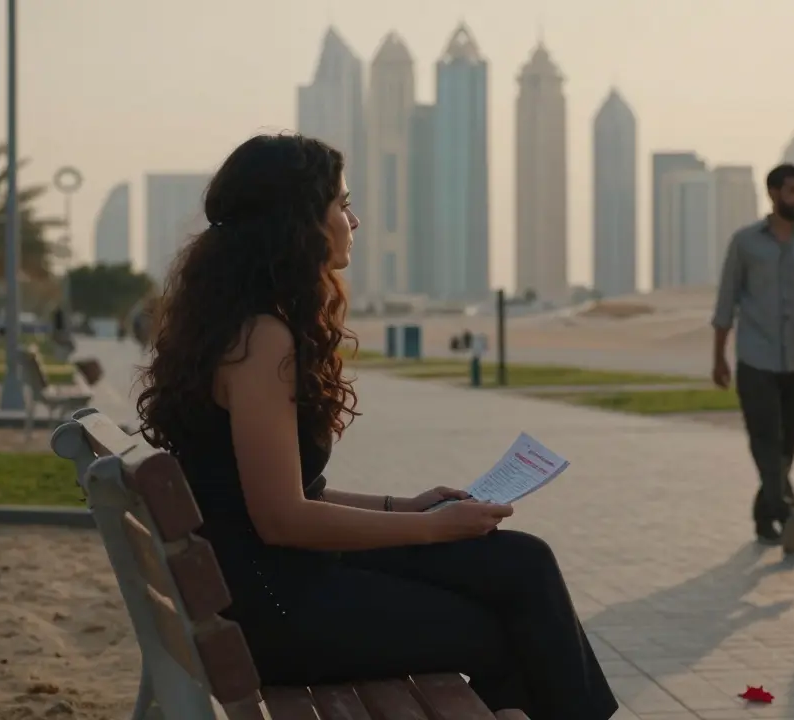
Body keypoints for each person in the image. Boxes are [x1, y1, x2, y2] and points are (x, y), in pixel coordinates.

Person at [135, 133, 617, 719]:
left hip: (265, 584)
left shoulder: (242, 327)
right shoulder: (262, 341)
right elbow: (282, 517)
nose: (354, 219)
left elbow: (275, 494)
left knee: (522, 562)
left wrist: (406, 507)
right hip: (278, 609)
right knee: (505, 629)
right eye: (340, 205)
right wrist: (435, 530)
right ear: (298, 223)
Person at [711, 163, 794, 555]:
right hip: (755, 359)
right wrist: (719, 357)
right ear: (773, 193)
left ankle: (763, 515)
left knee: (787, 448)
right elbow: (725, 302)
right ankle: (787, 512)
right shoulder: (745, 243)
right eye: (792, 191)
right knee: (765, 441)